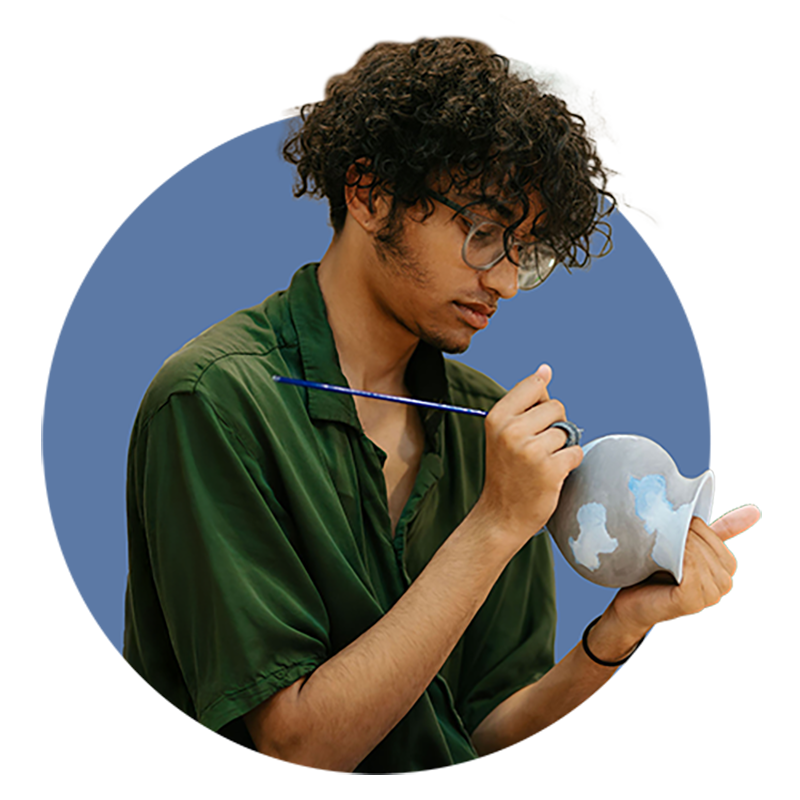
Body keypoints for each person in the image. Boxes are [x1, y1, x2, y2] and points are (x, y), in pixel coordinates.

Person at [123, 36, 759, 774]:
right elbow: (294, 750)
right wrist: (495, 524)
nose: (507, 282)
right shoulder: (213, 401)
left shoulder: (489, 426)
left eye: (525, 250)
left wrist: (617, 632)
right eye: (483, 234)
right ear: (370, 194)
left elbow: (478, 733)